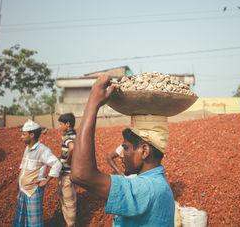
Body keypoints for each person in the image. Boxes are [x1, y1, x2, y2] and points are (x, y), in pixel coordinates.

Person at [71, 75, 175, 227]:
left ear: (144, 151)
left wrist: (93, 103)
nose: (121, 154)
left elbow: (80, 174)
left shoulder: (146, 188)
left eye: (125, 148)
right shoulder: (155, 184)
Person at [13, 119, 62, 227]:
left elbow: (57, 164)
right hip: (24, 190)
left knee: (34, 222)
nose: (21, 137)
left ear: (31, 135)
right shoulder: (27, 148)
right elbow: (23, 166)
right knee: (22, 219)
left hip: (33, 191)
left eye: (24, 134)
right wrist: (19, 182)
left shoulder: (42, 150)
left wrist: (47, 180)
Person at [57, 113, 77, 227]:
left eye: (61, 124)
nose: (59, 126)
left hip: (67, 174)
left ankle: (70, 224)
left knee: (68, 202)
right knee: (68, 200)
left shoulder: (68, 138)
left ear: (67, 124)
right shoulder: (74, 135)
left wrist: (68, 161)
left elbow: (72, 148)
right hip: (70, 172)